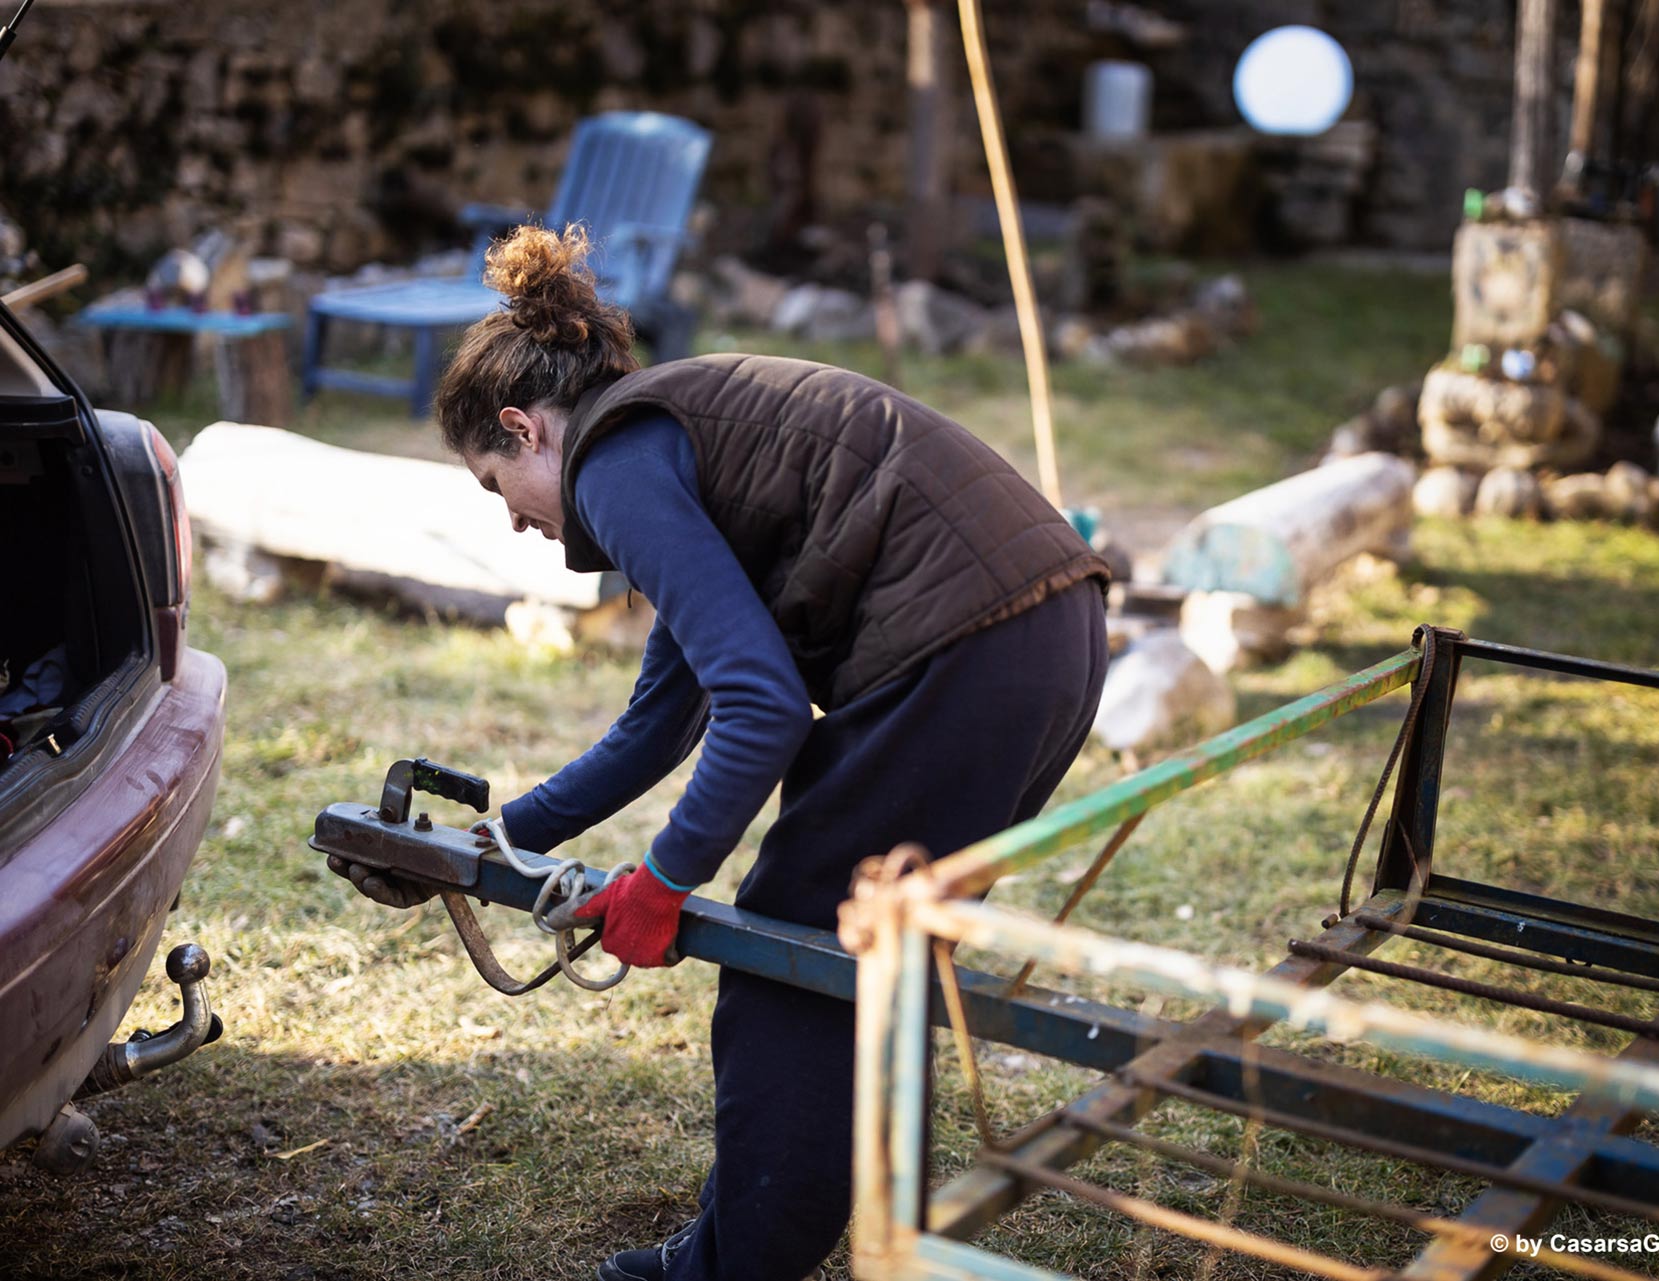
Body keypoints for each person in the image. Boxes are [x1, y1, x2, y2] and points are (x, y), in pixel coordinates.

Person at [327, 223, 1108, 1281]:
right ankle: (770, 1239)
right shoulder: (667, 439)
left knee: (795, 965)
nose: (512, 523)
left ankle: (728, 1271)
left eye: (492, 483)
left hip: (964, 648)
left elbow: (761, 705)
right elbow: (662, 721)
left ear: (524, 430)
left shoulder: (615, 463)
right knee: (864, 963)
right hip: (1046, 631)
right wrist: (496, 839)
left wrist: (666, 877)